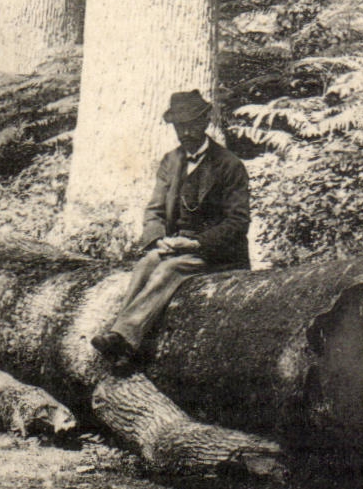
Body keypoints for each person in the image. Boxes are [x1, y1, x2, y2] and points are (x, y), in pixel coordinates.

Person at [90, 90, 250, 371]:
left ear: (206, 122)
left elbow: (237, 222)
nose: (186, 132)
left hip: (214, 253)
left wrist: (196, 244)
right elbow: (154, 211)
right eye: (180, 127)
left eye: (192, 125)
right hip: (175, 245)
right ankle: (117, 333)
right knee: (146, 264)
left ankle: (125, 339)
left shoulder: (229, 165)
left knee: (168, 270)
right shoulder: (171, 161)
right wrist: (159, 241)